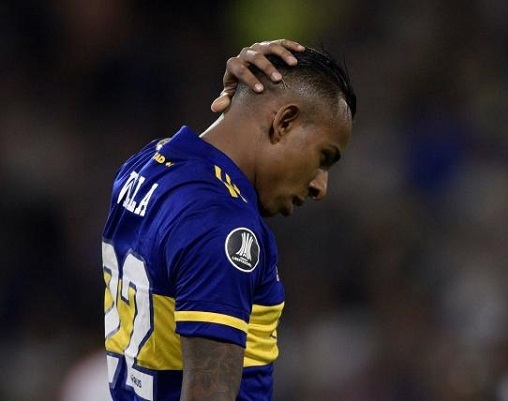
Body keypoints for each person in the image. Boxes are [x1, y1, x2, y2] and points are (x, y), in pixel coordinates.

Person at [102, 38, 356, 401]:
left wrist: (239, 108)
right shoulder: (225, 226)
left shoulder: (146, 165)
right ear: (284, 122)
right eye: (324, 157)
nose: (320, 186)